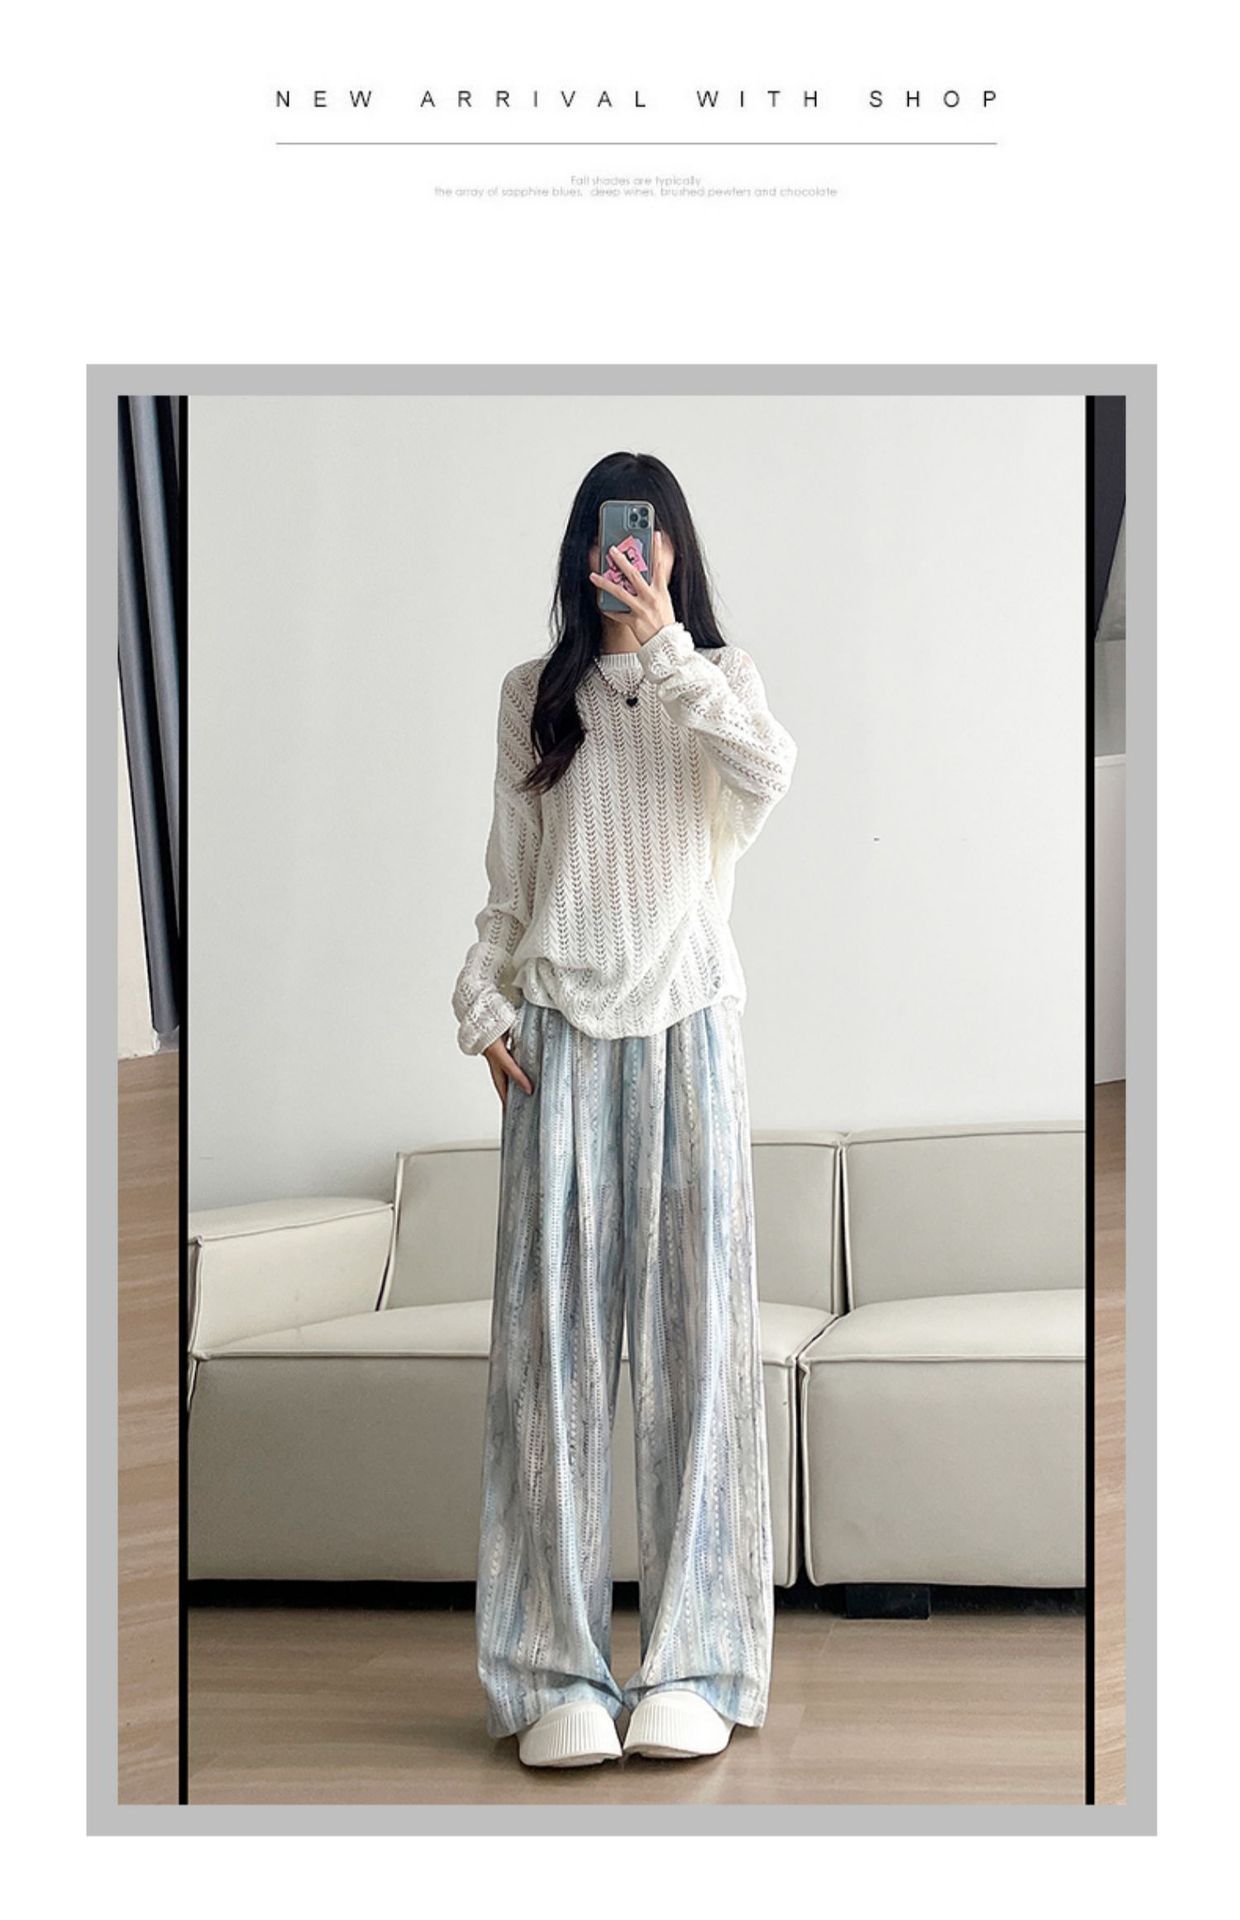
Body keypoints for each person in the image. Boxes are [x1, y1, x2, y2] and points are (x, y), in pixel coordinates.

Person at [452, 450, 797, 1768]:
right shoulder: (531, 699)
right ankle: (554, 1674)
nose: (628, 558)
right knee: (548, 1369)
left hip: (689, 1031)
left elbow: (766, 777)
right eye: (612, 538)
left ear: (671, 553)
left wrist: (667, 656)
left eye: (647, 541)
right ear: (584, 550)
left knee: (699, 1357)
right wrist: (483, 1002)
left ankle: (696, 1662)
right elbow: (511, 885)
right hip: (555, 1040)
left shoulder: (721, 683)